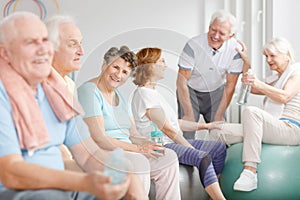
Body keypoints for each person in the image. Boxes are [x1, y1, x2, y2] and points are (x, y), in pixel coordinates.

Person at [0, 12, 147, 200]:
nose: (43, 49)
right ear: (5, 53)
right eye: (30, 42)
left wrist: (123, 173)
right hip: (19, 191)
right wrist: (84, 183)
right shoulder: (3, 94)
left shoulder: (57, 94)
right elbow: (11, 172)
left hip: (59, 184)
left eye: (45, 41)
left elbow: (88, 154)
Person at [77, 46, 181, 200]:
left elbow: (133, 133)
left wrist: (150, 144)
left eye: (125, 72)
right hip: (103, 153)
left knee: (168, 157)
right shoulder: (89, 91)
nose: (119, 75)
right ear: (104, 64)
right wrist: (138, 149)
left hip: (127, 150)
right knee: (139, 162)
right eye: (115, 67)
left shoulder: (120, 96)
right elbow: (99, 137)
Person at [131, 47, 227, 200]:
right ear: (150, 66)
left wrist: (206, 126)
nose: (165, 65)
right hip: (162, 146)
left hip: (172, 142)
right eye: (161, 61)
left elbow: (175, 123)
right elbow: (167, 129)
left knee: (218, 149)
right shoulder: (144, 94)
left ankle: (210, 192)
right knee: (203, 157)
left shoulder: (154, 93)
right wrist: (188, 147)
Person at [211, 37, 300, 192]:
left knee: (251, 112)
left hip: (290, 129)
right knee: (217, 131)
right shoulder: (276, 78)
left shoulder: (297, 72)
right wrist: (246, 61)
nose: (268, 60)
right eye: (266, 56)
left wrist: (257, 83)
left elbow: (284, 96)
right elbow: (252, 87)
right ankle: (215, 182)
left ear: (286, 54)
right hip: (272, 128)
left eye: (272, 55)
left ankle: (250, 172)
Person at [176, 9, 243, 139]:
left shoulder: (235, 51)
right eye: (213, 29)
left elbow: (230, 85)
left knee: (219, 131)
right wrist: (188, 112)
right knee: (187, 132)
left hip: (216, 92)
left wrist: (219, 114)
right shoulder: (193, 44)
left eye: (222, 33)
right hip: (190, 91)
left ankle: (218, 159)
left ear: (230, 36)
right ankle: (186, 159)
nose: (215, 36)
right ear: (209, 27)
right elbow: (181, 81)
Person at [45, 15, 84, 172]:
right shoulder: (38, 85)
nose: (81, 51)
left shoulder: (70, 84)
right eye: (72, 44)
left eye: (80, 43)